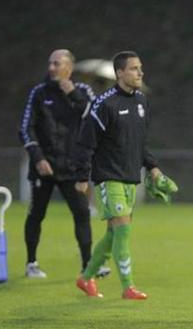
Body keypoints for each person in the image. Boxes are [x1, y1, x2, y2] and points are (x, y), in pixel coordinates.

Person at [75, 50, 166, 300]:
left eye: (140, 68)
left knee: (114, 233)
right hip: (108, 178)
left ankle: (85, 278)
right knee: (123, 231)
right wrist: (83, 177)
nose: (140, 73)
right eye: (135, 68)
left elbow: (140, 142)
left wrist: (153, 166)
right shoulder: (104, 104)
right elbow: (86, 143)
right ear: (119, 73)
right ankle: (128, 287)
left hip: (130, 178)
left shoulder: (141, 102)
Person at [19, 49, 109, 279]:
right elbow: (25, 127)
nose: (51, 68)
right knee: (36, 214)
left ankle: (88, 265)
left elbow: (95, 119)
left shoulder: (82, 91)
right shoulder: (39, 93)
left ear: (69, 67)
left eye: (56, 63)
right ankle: (31, 263)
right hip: (44, 166)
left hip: (72, 168)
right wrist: (37, 157)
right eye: (50, 63)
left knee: (81, 213)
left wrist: (74, 96)